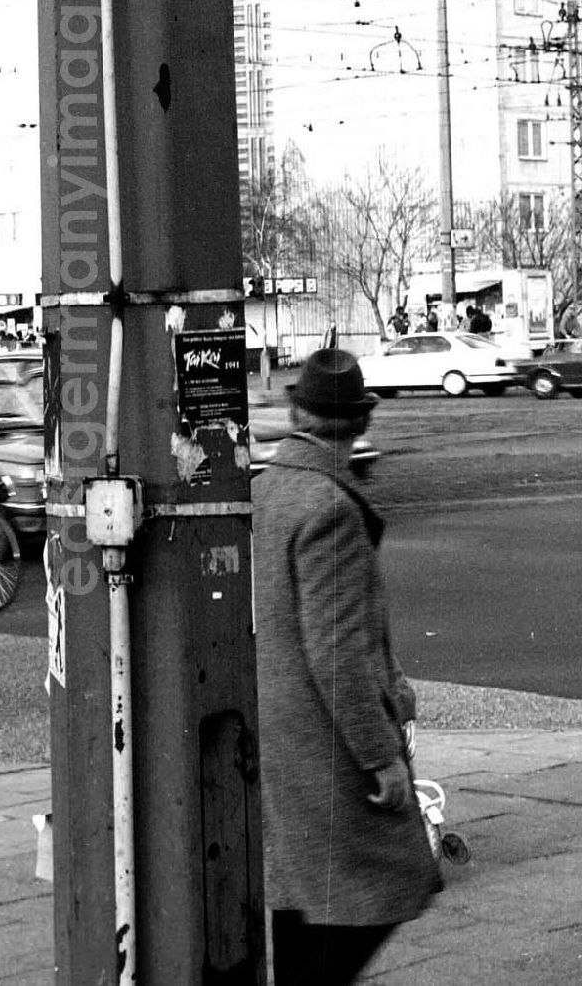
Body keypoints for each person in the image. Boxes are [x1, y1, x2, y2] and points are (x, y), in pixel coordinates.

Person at [251, 348, 440, 985]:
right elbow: (339, 654)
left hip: (279, 733)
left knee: (302, 896)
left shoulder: (264, 491)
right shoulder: (331, 510)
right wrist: (379, 755)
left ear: (295, 412)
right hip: (326, 745)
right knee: (377, 886)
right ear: (360, 425)